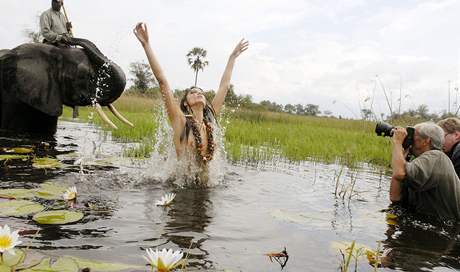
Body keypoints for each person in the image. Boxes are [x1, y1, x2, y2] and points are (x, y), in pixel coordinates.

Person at [133, 22, 248, 184]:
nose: (198, 93)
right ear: (186, 103)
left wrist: (232, 57)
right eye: (192, 92)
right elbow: (163, 82)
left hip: (204, 188)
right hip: (181, 189)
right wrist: (146, 45)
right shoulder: (181, 122)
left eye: (200, 92)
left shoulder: (209, 120)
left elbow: (224, 86)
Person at [390, 122, 460, 221]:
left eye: (412, 135)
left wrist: (397, 142)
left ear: (426, 141)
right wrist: (403, 155)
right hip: (432, 224)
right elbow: (395, 197)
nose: (409, 139)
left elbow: (399, 173)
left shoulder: (436, 157)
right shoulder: (421, 162)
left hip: (449, 229)